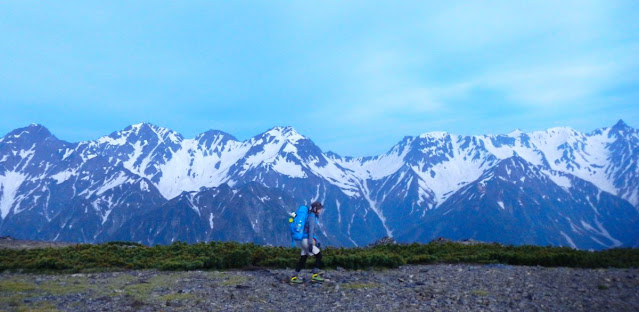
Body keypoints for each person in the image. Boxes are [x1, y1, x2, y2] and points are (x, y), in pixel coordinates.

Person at [290, 201, 325, 284]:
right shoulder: (312, 217)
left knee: (303, 259)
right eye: (319, 209)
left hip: (304, 240)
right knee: (319, 256)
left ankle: (294, 277)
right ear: (315, 209)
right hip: (307, 241)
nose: (320, 210)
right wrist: (310, 243)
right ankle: (315, 276)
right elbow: (311, 231)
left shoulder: (310, 216)